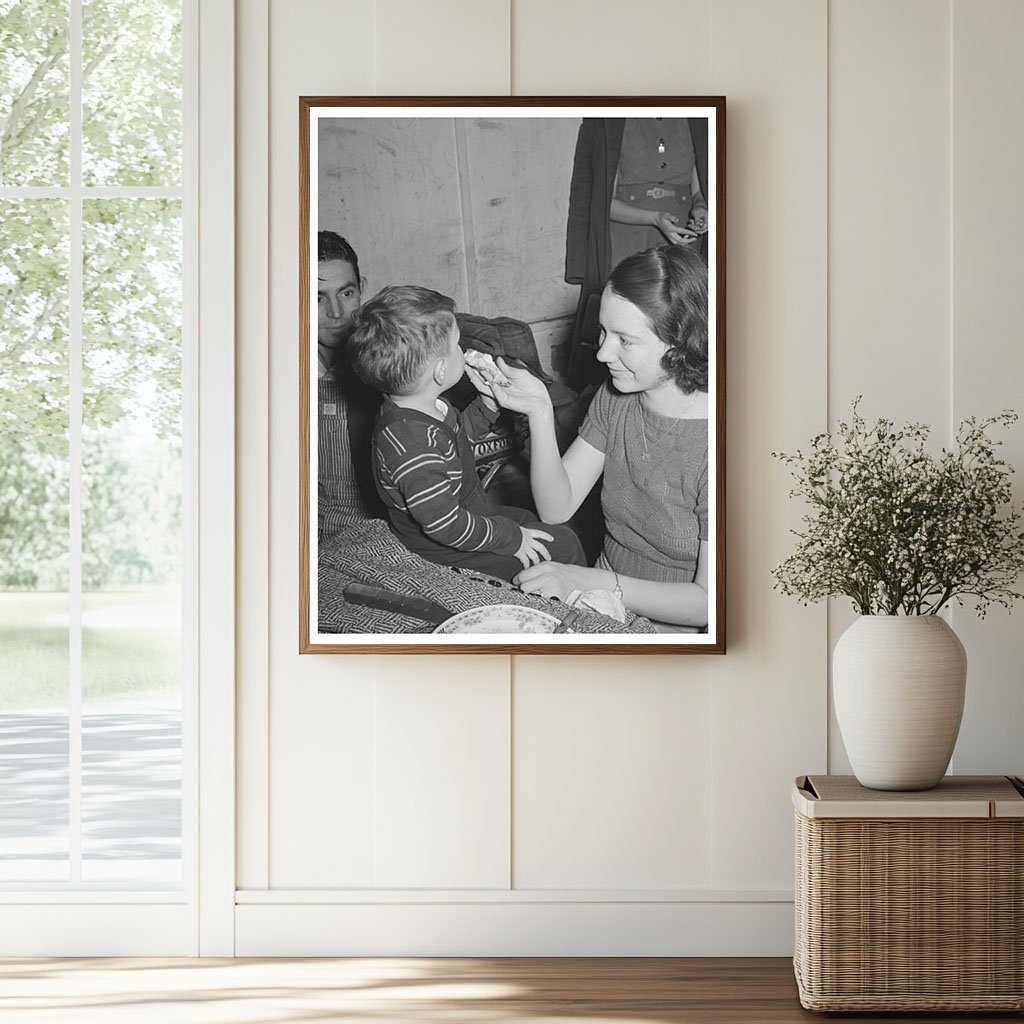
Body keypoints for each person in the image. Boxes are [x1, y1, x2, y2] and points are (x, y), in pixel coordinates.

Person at [468, 244, 709, 630]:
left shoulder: (720, 446)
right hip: (600, 601)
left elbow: (707, 603)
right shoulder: (615, 396)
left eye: (625, 340)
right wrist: (539, 411)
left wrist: (590, 581)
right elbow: (557, 508)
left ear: (682, 343)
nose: (602, 354)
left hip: (672, 626)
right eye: (602, 332)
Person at [346, 285, 587, 582]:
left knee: (544, 526)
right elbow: (447, 524)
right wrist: (510, 539)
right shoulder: (411, 447)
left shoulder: (425, 406)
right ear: (440, 371)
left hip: (475, 511)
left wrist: (487, 404)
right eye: (457, 344)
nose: (462, 350)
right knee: (562, 547)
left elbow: (457, 444)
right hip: (447, 549)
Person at [565, 117, 709, 388]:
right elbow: (600, 205)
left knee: (676, 328)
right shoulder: (611, 121)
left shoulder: (694, 118)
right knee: (629, 329)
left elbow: (699, 190)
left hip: (679, 242)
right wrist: (654, 218)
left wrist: (701, 209)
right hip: (627, 240)